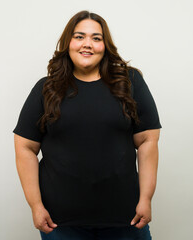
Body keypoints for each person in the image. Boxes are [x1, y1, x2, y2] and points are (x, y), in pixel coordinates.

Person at [13, 10, 162, 240]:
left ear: (105, 45)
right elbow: (25, 147)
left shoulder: (130, 83)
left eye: (96, 38)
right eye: (79, 36)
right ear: (68, 43)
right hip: (60, 223)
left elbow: (147, 142)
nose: (87, 44)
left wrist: (146, 199)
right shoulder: (47, 89)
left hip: (126, 218)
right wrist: (35, 205)